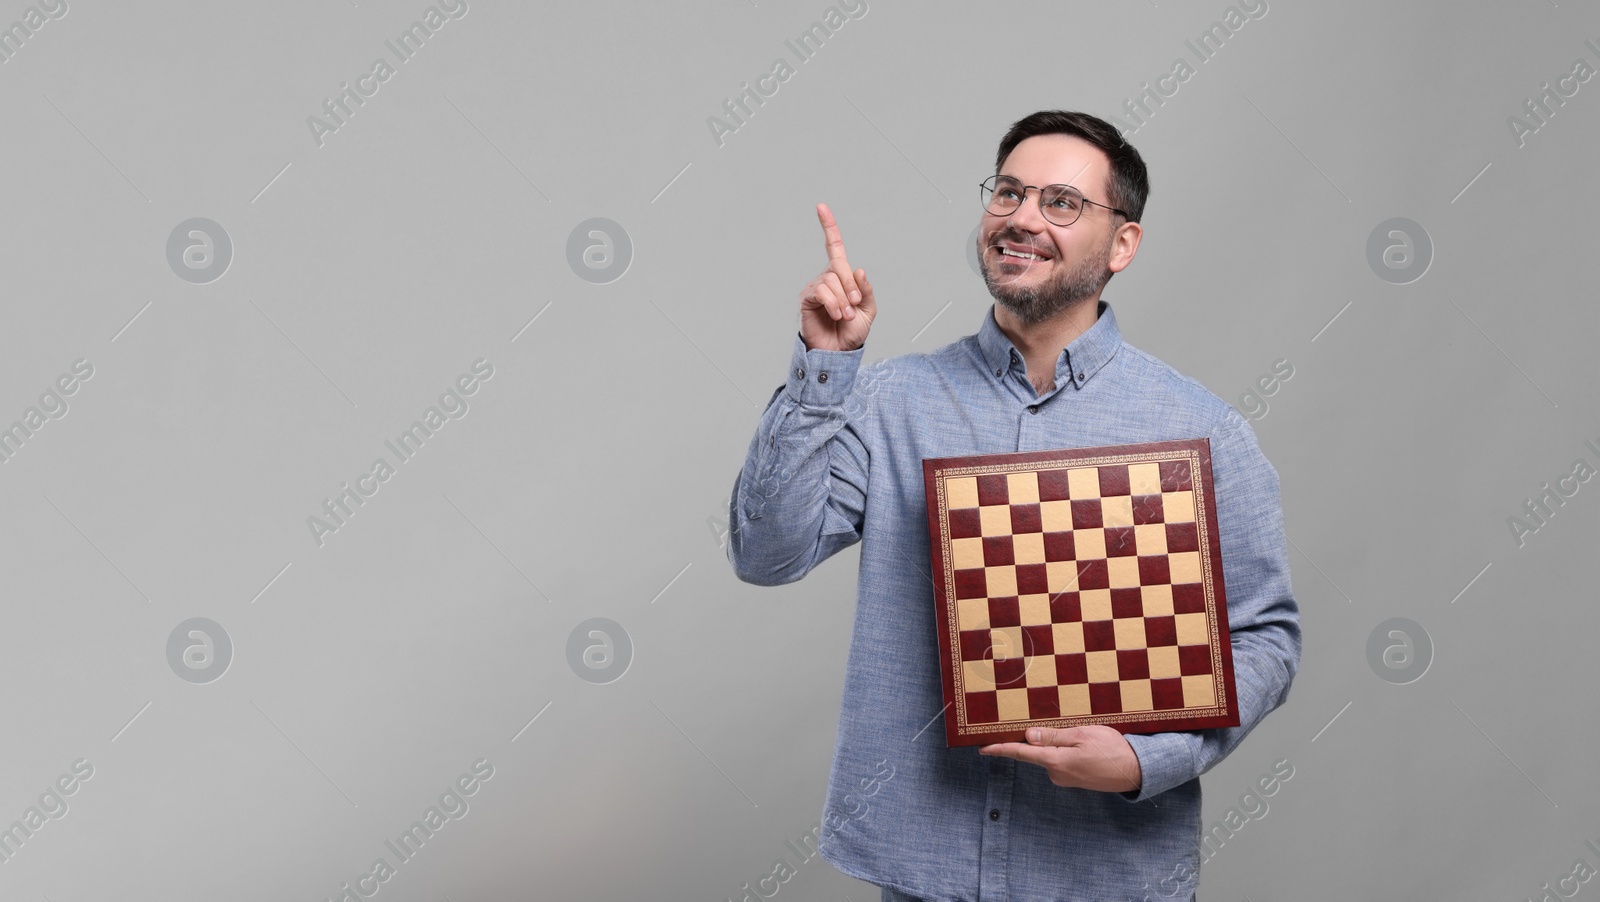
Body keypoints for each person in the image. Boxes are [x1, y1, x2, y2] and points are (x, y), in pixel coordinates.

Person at [726, 110, 1300, 902]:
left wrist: (1147, 760)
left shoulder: (1200, 430)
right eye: (1009, 193)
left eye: (1062, 202)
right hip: (921, 872)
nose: (1023, 217)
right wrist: (826, 368)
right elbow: (764, 555)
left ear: (1122, 244)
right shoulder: (892, 401)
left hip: (1106, 875)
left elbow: (1265, 637)